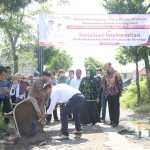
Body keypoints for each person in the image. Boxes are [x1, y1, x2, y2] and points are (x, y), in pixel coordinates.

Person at [104, 62, 123, 127]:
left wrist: (120, 92)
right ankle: (112, 120)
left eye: (106, 67)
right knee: (110, 107)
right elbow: (105, 84)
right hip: (109, 93)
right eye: (104, 67)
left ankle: (116, 121)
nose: (105, 68)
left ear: (110, 66)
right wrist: (106, 93)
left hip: (115, 92)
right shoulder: (105, 74)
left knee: (116, 107)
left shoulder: (116, 73)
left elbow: (120, 83)